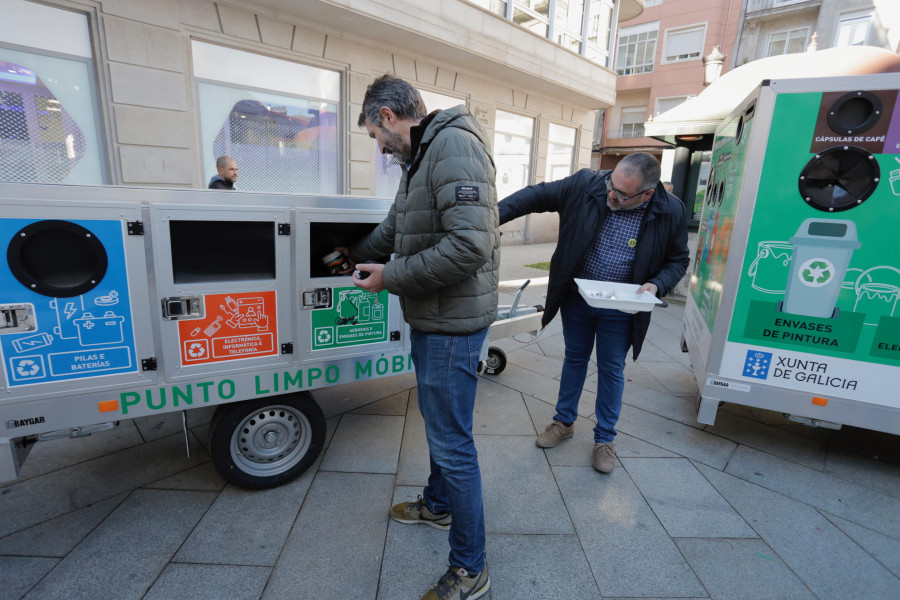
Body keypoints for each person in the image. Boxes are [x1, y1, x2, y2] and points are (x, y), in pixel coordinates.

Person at [338, 74, 498, 600]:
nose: (378, 148)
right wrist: (347, 252)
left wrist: (392, 277)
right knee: (440, 425)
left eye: (373, 135)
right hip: (435, 316)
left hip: (453, 324)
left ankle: (470, 569)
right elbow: (396, 228)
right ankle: (437, 504)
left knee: (453, 444)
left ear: (387, 116)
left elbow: (469, 246)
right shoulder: (421, 156)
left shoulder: (452, 145)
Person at [498, 153, 689, 474]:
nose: (611, 195)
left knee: (612, 367)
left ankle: (605, 439)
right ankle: (563, 422)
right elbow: (535, 196)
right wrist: (491, 216)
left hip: (622, 304)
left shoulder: (670, 210)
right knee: (574, 357)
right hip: (578, 297)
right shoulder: (587, 184)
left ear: (646, 194)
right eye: (611, 185)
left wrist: (657, 285)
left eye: (622, 194)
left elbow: (678, 260)